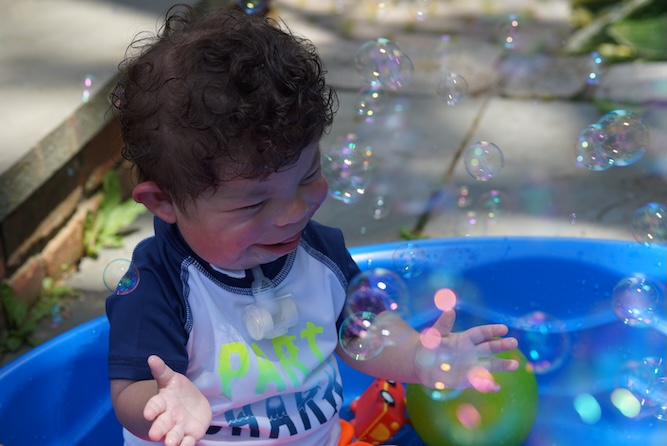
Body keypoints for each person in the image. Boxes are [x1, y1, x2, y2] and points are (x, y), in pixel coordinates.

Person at [106, 4, 520, 446]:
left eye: (307, 177)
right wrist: (165, 404)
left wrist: (421, 357)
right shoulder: (160, 285)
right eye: (253, 204)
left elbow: (366, 332)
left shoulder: (318, 253)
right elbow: (130, 390)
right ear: (163, 202)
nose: (293, 213)